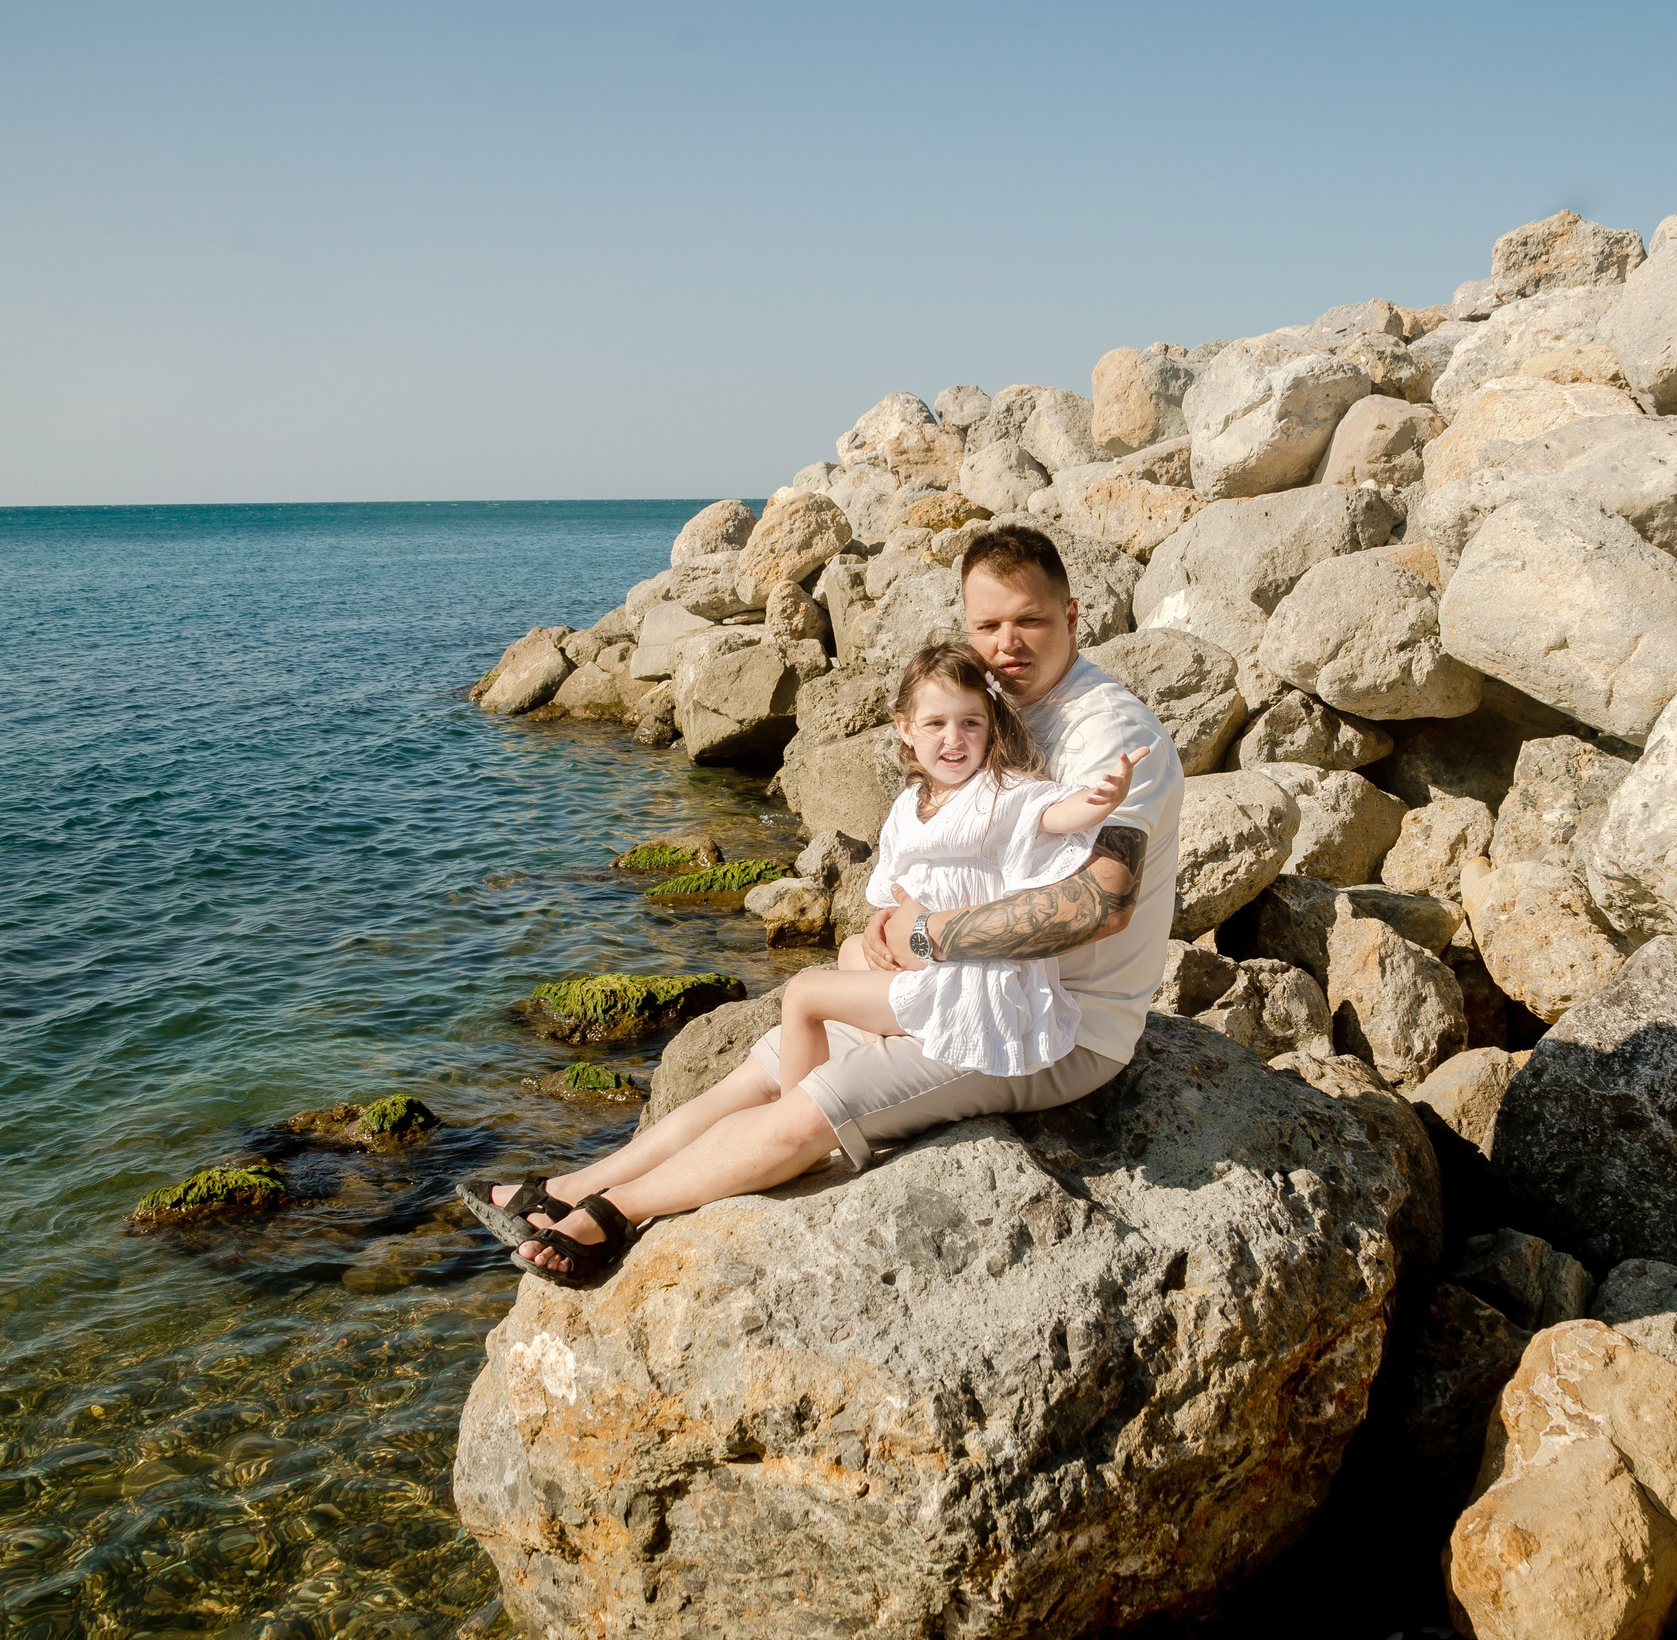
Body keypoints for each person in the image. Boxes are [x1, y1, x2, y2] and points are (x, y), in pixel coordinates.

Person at [460, 524, 1182, 1281]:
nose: (1007, 644)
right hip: (957, 986)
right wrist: (886, 931)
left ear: (1071, 617)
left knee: (820, 1099)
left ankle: (610, 1216)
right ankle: (571, 1183)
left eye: (1029, 621)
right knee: (766, 1064)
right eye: (987, 625)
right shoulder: (989, 706)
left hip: (1056, 1022)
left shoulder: (1110, 731)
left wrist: (930, 933)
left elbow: (1101, 902)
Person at [771, 639, 1148, 1090]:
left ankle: (792, 1104)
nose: (954, 738)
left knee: (801, 994)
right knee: (852, 950)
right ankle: (878, 1047)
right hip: (925, 958)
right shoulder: (910, 803)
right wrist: (894, 914)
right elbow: (896, 878)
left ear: (990, 728)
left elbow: (1052, 813)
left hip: (967, 971)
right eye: (935, 723)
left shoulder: (1000, 791)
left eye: (970, 722)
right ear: (906, 729)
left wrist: (1101, 799)